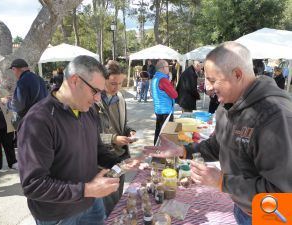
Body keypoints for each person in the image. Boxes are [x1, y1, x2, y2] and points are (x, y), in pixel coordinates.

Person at [144, 42, 292, 225]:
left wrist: (222, 181)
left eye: (213, 80)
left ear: (237, 74)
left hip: (268, 216)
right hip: (242, 207)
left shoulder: (276, 116)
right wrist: (182, 151)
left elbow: (282, 193)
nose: (207, 88)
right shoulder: (227, 105)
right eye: (205, 79)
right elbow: (217, 145)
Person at [17, 56, 140, 225]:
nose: (98, 98)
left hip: (91, 202)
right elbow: (34, 185)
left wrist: (121, 163)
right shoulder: (38, 121)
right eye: (95, 91)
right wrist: (88, 189)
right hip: (59, 215)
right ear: (74, 81)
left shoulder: (87, 110)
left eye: (100, 92)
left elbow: (97, 150)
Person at [95, 60, 136, 216]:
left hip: (120, 158)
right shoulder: (93, 101)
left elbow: (123, 124)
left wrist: (129, 131)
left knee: (118, 198)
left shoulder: (120, 97)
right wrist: (113, 138)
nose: (117, 87)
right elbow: (89, 136)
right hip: (102, 162)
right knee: (108, 206)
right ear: (103, 80)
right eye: (113, 83)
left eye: (120, 83)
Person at [1, 58, 48, 129]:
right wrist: (14, 98)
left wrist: (7, 102)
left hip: (31, 123)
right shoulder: (39, 79)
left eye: (13, 70)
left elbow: (17, 106)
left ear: (14, 69)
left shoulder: (23, 81)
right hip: (44, 120)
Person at [0, 79, 18, 179]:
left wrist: (8, 100)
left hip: (6, 124)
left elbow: (12, 103)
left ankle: (13, 162)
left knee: (9, 145)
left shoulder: (2, 91)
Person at [151, 60, 178, 145]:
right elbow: (174, 94)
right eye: (167, 67)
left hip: (158, 110)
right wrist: (171, 84)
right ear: (162, 68)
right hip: (166, 111)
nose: (169, 69)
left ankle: (156, 151)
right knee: (167, 136)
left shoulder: (155, 78)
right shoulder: (163, 80)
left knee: (159, 132)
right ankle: (164, 155)